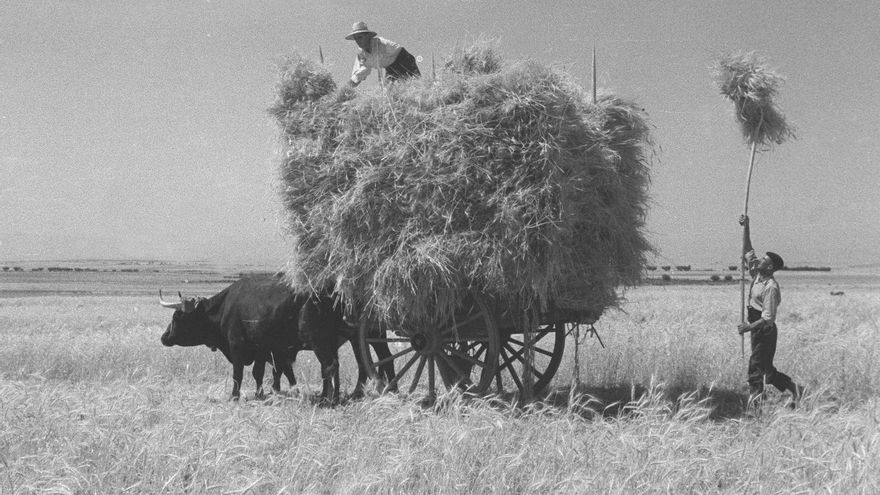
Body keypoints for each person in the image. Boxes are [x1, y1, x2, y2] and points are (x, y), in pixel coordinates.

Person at [737, 214, 803, 408]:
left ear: (770, 267)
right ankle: (795, 389)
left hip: (765, 331)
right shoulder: (757, 274)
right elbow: (747, 250)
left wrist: (748, 327)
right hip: (756, 328)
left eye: (763, 260)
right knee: (766, 370)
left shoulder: (771, 287)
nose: (758, 261)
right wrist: (746, 226)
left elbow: (768, 318)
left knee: (756, 369)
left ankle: (755, 408)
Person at [345, 22, 420, 87]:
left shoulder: (381, 43)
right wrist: (347, 88)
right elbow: (360, 74)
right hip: (391, 68)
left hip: (404, 60)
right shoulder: (362, 55)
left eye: (360, 37)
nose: (358, 41)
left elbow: (401, 51)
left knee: (416, 85)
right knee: (388, 92)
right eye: (356, 38)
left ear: (368, 36)